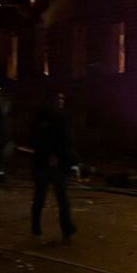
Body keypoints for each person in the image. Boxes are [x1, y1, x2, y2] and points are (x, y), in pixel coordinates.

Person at [29, 91, 78, 239]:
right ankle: (64, 228)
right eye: (58, 99)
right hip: (52, 164)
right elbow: (65, 142)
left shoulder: (43, 118)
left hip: (47, 163)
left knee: (47, 197)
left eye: (62, 99)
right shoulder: (55, 119)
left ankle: (59, 228)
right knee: (55, 198)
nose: (61, 101)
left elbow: (66, 142)